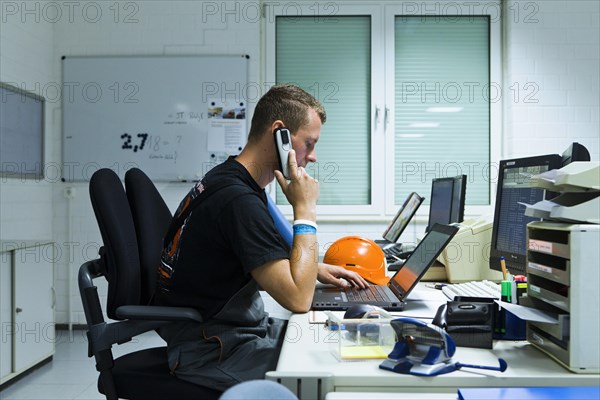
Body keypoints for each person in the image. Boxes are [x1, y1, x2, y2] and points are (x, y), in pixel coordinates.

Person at [153, 84, 368, 394]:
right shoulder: (237, 200)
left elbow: (258, 249)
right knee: (331, 375)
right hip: (211, 349)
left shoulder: (228, 178)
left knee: (338, 341)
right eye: (309, 143)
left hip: (234, 333)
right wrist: (305, 209)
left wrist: (315, 269)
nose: (314, 156)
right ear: (280, 133)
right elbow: (298, 299)